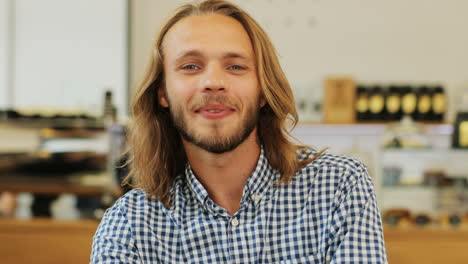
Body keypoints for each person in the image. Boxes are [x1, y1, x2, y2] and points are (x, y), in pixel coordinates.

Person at [91, 0, 388, 263]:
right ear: (162, 93)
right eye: (191, 66)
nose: (213, 82)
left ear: (262, 90)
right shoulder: (129, 226)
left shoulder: (338, 187)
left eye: (235, 67)